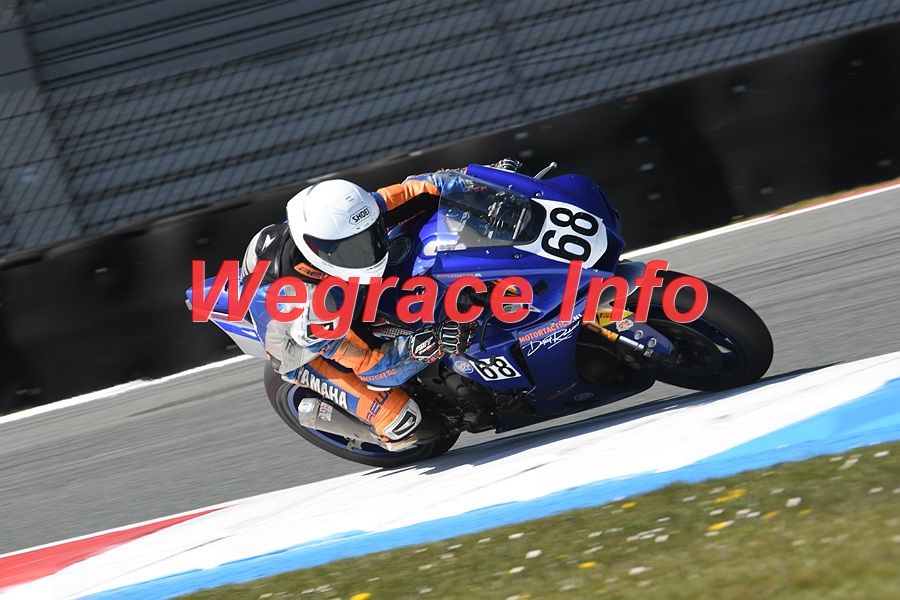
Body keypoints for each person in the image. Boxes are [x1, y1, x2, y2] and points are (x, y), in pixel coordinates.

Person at [240, 162, 524, 451]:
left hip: (348, 290)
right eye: (353, 247)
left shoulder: (346, 221)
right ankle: (358, 426)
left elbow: (420, 188)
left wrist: (484, 180)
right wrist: (433, 342)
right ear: (318, 251)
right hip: (305, 350)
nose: (369, 248)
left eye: (371, 234)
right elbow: (372, 366)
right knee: (403, 422)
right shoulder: (308, 308)